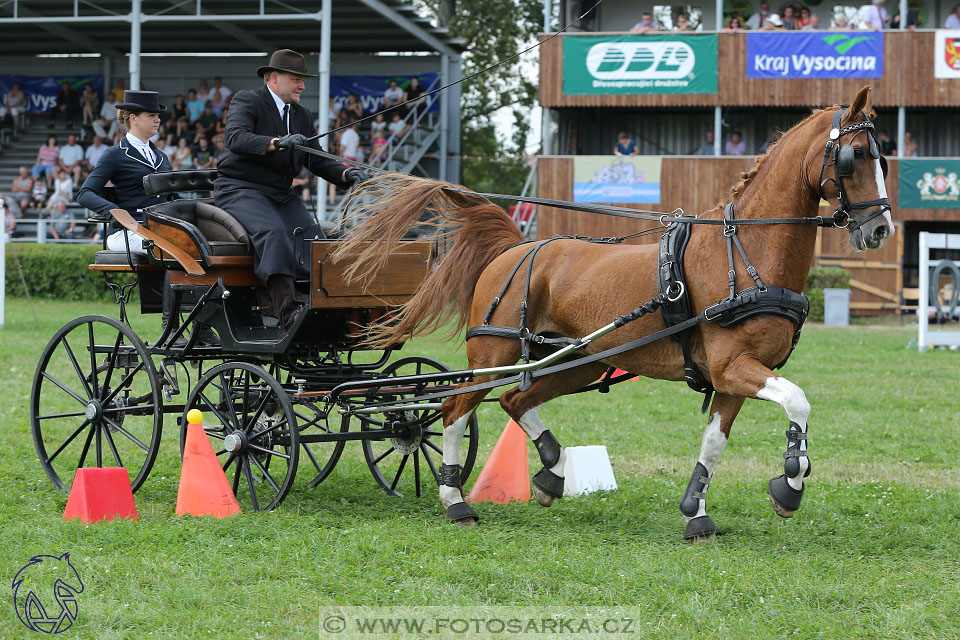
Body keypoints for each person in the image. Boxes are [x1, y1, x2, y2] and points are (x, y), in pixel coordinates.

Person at [214, 49, 365, 332]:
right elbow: (236, 138)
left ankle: (323, 310)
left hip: (280, 194)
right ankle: (288, 313)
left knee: (314, 239)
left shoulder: (301, 115)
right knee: (272, 232)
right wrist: (277, 142)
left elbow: (315, 157)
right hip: (240, 189)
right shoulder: (248, 100)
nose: (302, 86)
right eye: (296, 79)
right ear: (274, 78)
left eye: (302, 80)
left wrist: (346, 173)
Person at [77, 90, 171, 253]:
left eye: (157, 115)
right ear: (133, 119)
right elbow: (85, 193)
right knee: (169, 248)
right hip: (126, 231)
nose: (158, 120)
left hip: (160, 229)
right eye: (151, 115)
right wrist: (114, 213)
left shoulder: (162, 157)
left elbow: (171, 196)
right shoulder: (114, 154)